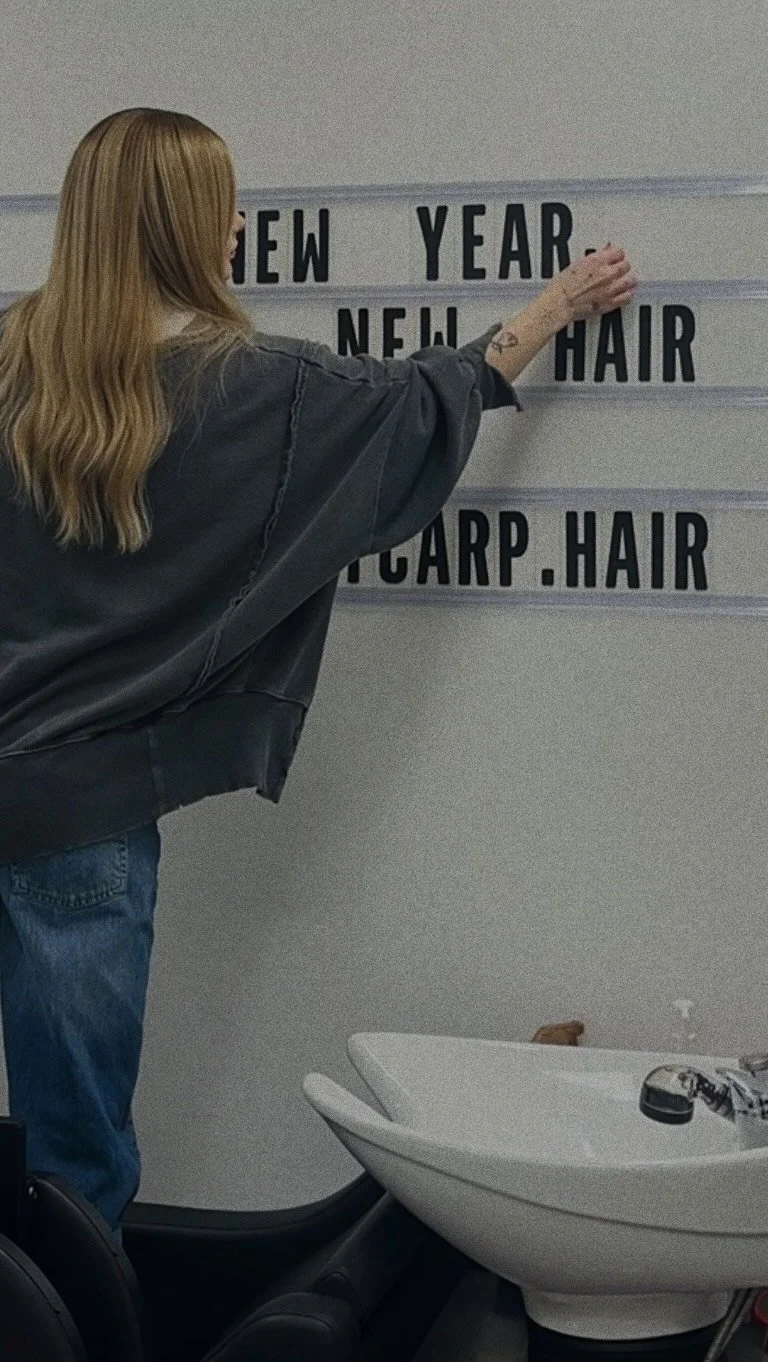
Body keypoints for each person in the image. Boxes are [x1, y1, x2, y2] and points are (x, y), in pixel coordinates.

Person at [0, 108, 638, 1241]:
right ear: (186, 223)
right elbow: (426, 401)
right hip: (76, 821)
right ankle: (73, 1320)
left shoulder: (10, 360)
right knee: (75, 1155)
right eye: (227, 206)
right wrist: (554, 306)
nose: (242, 226)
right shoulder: (260, 388)